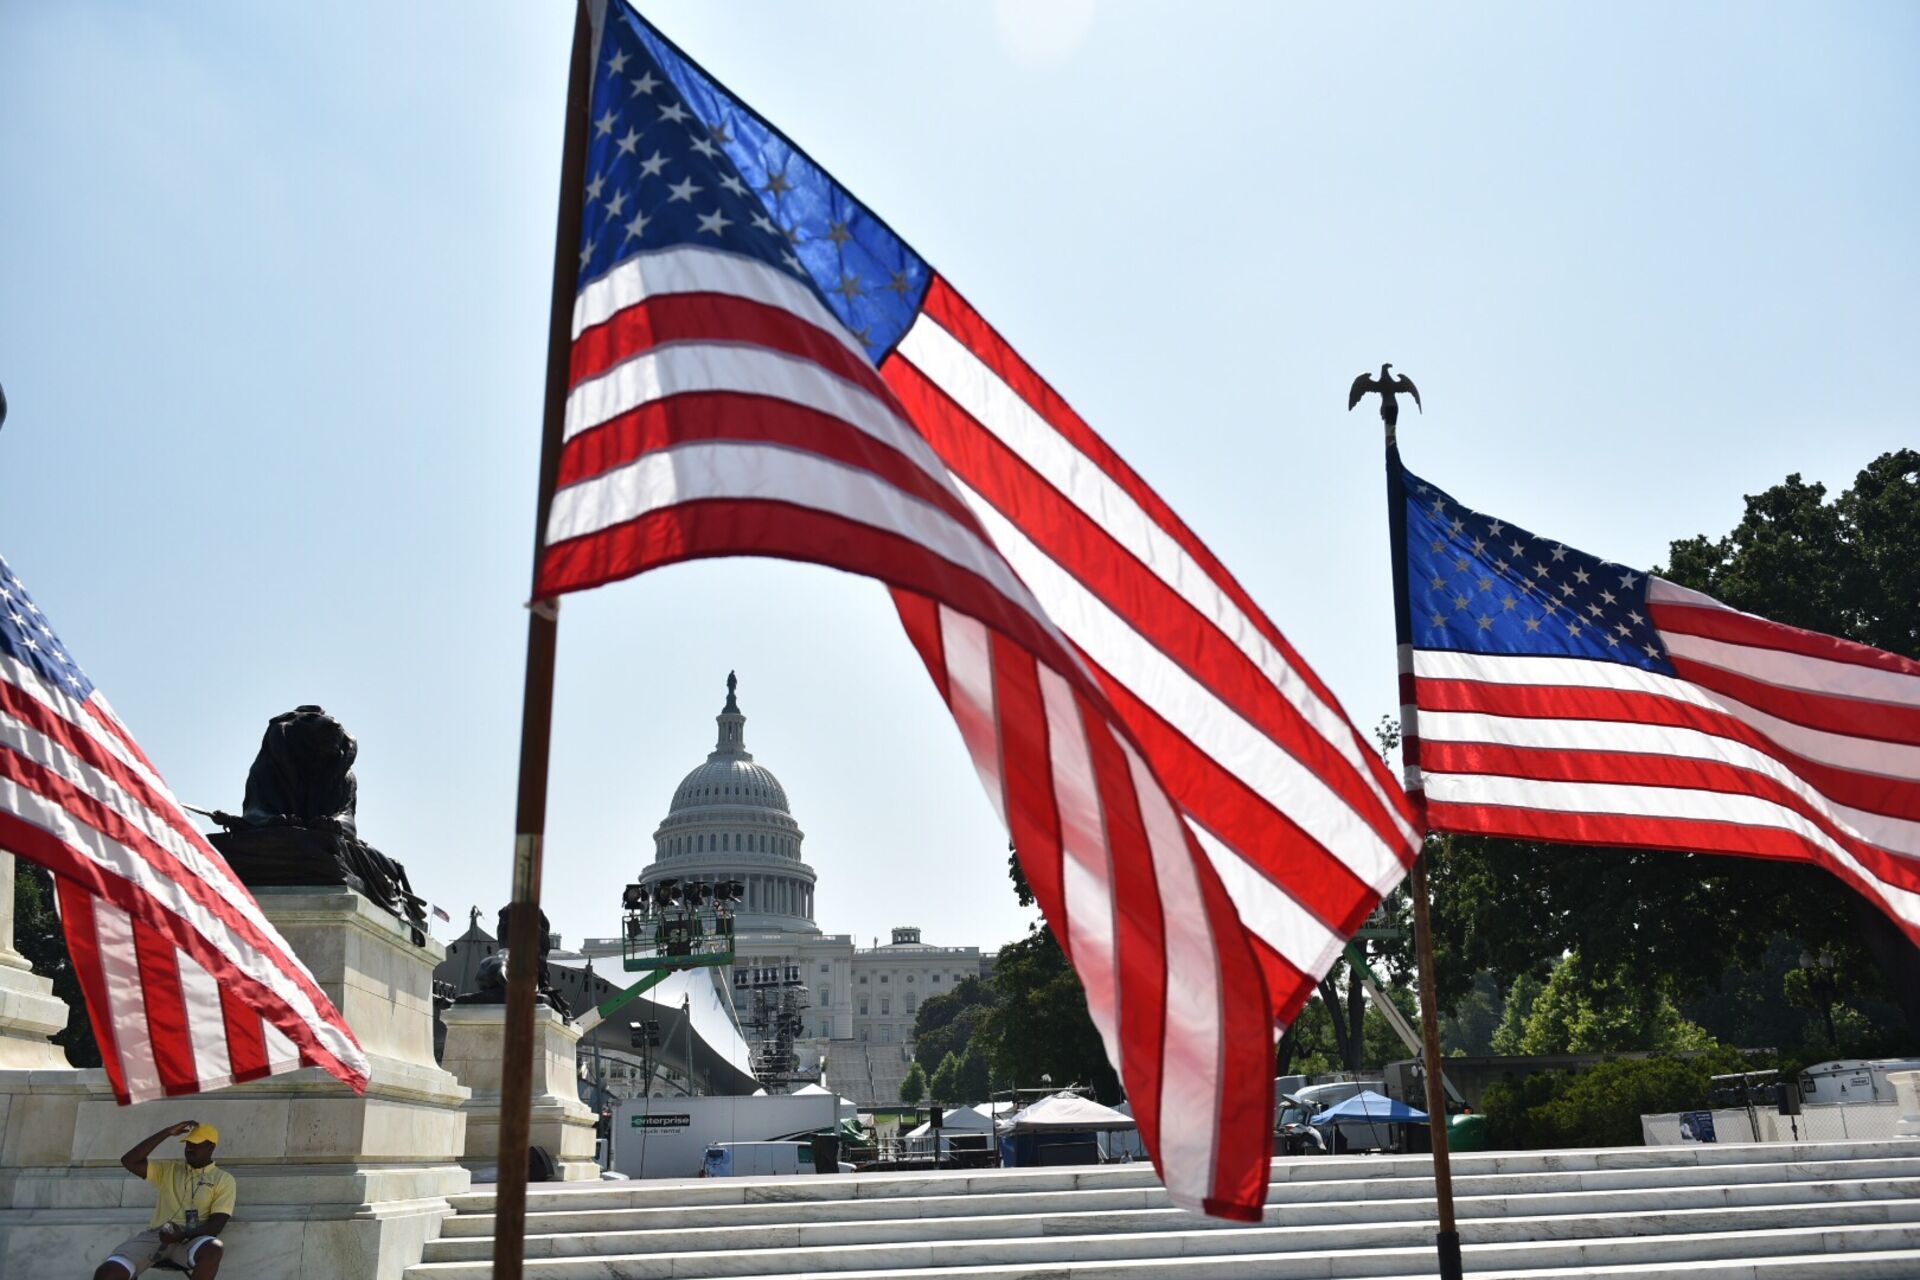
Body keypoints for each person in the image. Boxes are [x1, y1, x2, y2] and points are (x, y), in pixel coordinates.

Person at [93, 1120, 235, 1279]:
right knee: (108, 1272)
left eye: (196, 1144)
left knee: (214, 1248)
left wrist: (183, 1235)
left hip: (191, 1239)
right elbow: (129, 1160)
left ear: (211, 1147)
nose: (189, 1148)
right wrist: (167, 1132)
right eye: (187, 1144)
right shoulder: (169, 1170)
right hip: (157, 1236)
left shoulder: (223, 1179)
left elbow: (217, 1225)